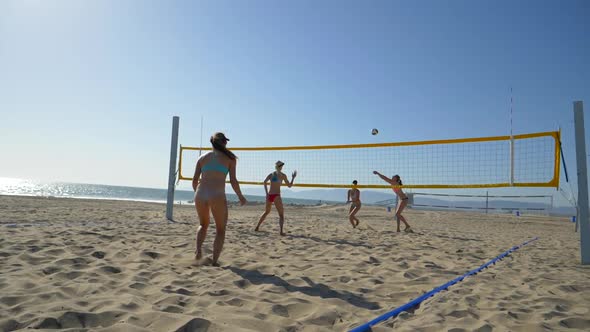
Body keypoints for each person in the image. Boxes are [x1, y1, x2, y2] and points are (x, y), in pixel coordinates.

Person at [192, 132, 247, 266]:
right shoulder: (230, 158)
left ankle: (198, 251)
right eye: (226, 142)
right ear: (223, 143)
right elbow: (233, 181)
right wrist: (240, 196)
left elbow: (194, 181)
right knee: (220, 230)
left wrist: (199, 194)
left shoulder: (202, 158)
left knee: (203, 225)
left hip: (200, 194)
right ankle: (214, 262)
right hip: (217, 195)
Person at [255, 160, 297, 235]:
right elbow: (289, 186)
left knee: (266, 212)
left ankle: (257, 226)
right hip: (276, 195)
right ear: (280, 167)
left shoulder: (271, 174)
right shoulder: (283, 175)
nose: (282, 167)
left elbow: (264, 182)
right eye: (281, 166)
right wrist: (293, 178)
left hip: (270, 195)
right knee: (281, 215)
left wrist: (266, 193)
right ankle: (281, 232)